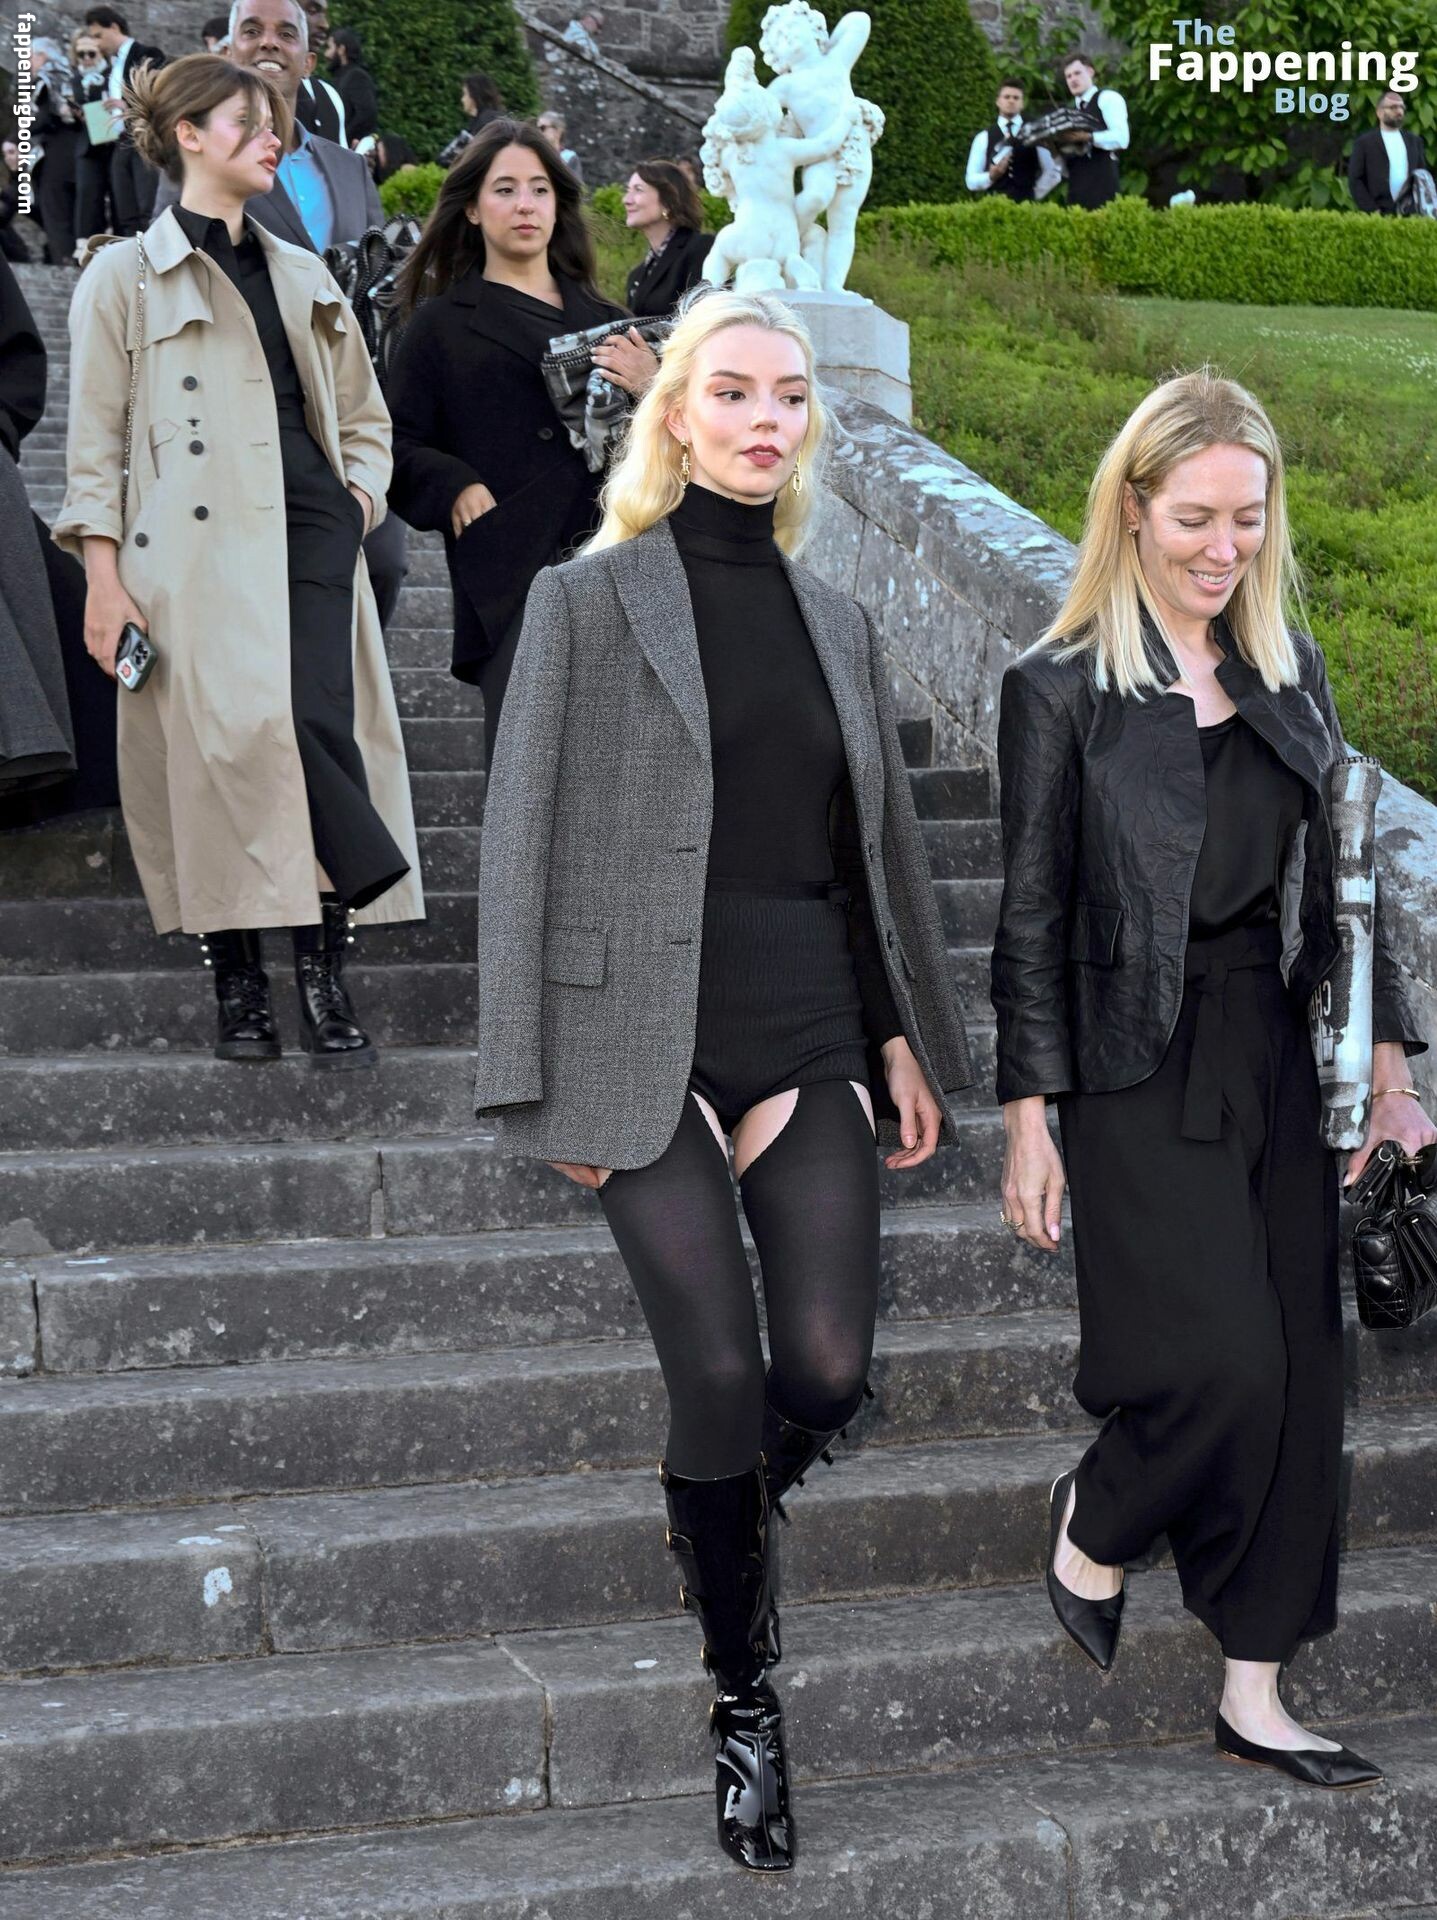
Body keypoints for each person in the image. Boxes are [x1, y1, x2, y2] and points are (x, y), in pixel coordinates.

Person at [472, 286, 973, 1871]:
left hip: (805, 1010)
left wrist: (896, 1033)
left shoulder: (840, 624)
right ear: (676, 413)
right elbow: (519, 840)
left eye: (792, 396)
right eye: (737, 392)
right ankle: (744, 1697)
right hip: (639, 1028)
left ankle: (714, 1515)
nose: (767, 419)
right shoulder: (584, 599)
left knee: (822, 1370)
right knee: (712, 1373)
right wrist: (530, 1078)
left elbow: (867, 857)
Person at [991, 369, 1434, 1789]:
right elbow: (1028, 922)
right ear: (1132, 507)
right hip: (1132, 1056)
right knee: (1222, 1364)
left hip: (1279, 1048)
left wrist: (1389, 1066)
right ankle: (1100, 1514)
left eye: (1248, 518)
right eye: (1195, 517)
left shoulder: (1289, 669)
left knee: (1302, 1375)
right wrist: (1027, 1120)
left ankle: (1256, 1690)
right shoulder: (1056, 689)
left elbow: (1350, 887)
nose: (1224, 547)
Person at [55, 53, 423, 1065]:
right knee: (218, 750)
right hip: (188, 553)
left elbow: (365, 418)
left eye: (275, 122)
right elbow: (94, 445)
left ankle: (323, 971)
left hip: (311, 530)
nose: (272, 138)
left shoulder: (304, 273)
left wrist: (355, 501)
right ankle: (239, 983)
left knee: (314, 727)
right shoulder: (121, 277)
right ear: (189, 135)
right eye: (248, 122)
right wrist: (102, 579)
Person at [386, 119, 656, 766]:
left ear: (558, 204)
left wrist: (655, 387)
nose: (525, 204)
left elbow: (677, 450)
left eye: (539, 189)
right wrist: (452, 485)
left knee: (620, 775)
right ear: (473, 209)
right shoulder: (437, 326)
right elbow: (393, 444)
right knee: (526, 774)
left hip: (613, 560)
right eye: (504, 189)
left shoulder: (613, 324)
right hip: (508, 570)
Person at [152, 1, 409, 634]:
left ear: (309, 59)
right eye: (252, 30)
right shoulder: (195, 159)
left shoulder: (347, 167)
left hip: (348, 403)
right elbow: (167, 270)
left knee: (382, 563)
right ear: (226, 51)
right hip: (246, 405)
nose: (269, 43)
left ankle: (347, 682)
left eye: (285, 33)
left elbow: (381, 276)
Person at [82, 6, 167, 236]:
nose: (96, 44)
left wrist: (128, 106)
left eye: (98, 36)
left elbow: (159, 93)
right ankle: (133, 256)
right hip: (119, 142)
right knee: (124, 211)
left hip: (142, 138)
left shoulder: (148, 54)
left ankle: (153, 254)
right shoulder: (111, 67)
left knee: (147, 207)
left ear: (114, 27)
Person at [622, 158, 713, 316]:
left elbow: (706, 318)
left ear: (667, 201)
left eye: (638, 190)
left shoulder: (700, 250)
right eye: (628, 190)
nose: (626, 200)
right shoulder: (636, 275)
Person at [965, 78, 1061, 203]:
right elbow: (971, 181)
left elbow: (1053, 172)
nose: (1011, 101)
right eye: (1007, 97)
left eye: (1016, 98)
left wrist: (1033, 195)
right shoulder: (983, 137)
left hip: (1026, 206)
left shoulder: (1035, 133)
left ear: (1022, 103)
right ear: (998, 101)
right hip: (993, 206)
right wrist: (990, 176)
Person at [30, 39, 83, 267]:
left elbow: (42, 117)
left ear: (42, 56)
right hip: (81, 155)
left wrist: (18, 135)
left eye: (29, 57)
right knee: (77, 213)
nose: (28, 64)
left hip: (56, 155)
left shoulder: (47, 77)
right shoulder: (74, 74)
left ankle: (64, 262)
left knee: (56, 212)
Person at [1057, 52, 1128, 209]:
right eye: (1068, 76)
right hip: (1075, 194)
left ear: (1090, 72)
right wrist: (1054, 151)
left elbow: (1122, 138)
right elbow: (1065, 170)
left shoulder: (1107, 98)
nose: (1073, 79)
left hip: (1103, 189)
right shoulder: (1070, 113)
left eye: (1077, 73)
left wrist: (1089, 137)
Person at [1348, 90, 1429, 215]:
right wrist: (1372, 210)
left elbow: (1422, 177)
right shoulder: (1365, 143)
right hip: (1378, 212)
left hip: (1411, 213)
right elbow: (1355, 179)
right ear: (1379, 112)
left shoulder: (1414, 141)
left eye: (1402, 107)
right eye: (1393, 107)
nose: (1399, 111)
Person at [70, 28, 115, 251]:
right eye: (82, 54)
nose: (87, 58)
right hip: (87, 143)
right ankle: (86, 243)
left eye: (91, 53)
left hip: (114, 142)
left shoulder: (114, 73)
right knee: (87, 193)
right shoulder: (73, 78)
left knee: (118, 196)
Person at [324, 26, 378, 147]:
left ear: (341, 49)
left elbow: (366, 114)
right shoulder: (340, 77)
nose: (326, 54)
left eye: (329, 47)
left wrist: (341, 139)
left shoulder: (356, 76)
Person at [438, 73, 505, 169]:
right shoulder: (484, 119)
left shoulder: (486, 121)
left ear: (474, 96)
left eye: (465, 94)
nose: (462, 100)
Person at [0, 141, 31, 263]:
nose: (8, 158)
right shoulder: (14, 181)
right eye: (5, 155)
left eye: (11, 152)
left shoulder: (36, 177)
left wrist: (2, 194)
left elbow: (25, 203)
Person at [536, 110, 582, 183]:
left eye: (542, 128)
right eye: (536, 129)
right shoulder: (534, 155)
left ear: (558, 131)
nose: (538, 132)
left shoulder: (569, 158)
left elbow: (575, 186)